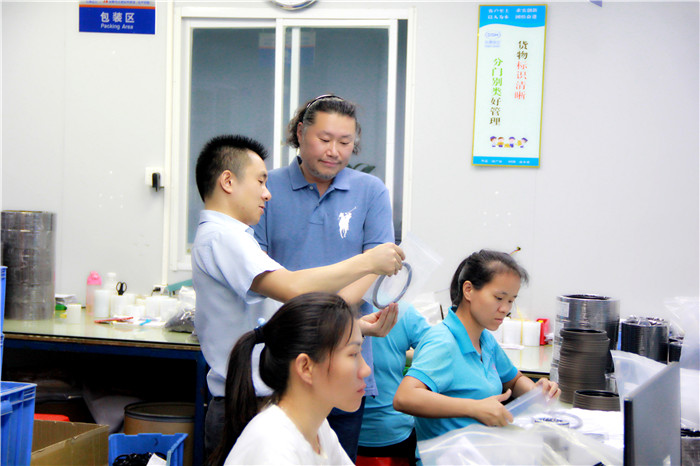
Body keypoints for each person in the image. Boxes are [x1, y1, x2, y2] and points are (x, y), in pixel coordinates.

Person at [191, 134, 405, 460]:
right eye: (260, 181)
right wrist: (367, 261)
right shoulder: (222, 237)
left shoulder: (234, 238)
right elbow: (293, 288)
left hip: (260, 399)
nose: (267, 193)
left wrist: (357, 327)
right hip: (246, 403)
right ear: (228, 181)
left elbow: (276, 315)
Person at [253, 94, 396, 460]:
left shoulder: (371, 192)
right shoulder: (266, 189)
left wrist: (323, 315)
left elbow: (374, 267)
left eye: (345, 142)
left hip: (345, 361)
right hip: (283, 357)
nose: (334, 151)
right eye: (325, 139)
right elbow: (260, 270)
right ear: (301, 133)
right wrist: (320, 314)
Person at [393, 250, 560, 441]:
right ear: (468, 290)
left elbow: (513, 380)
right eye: (499, 298)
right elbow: (404, 397)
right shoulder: (443, 342)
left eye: (511, 301)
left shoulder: (485, 340)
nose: (505, 309)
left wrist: (537, 392)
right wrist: (474, 408)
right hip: (448, 454)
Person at [212, 293, 367, 465]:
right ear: (306, 367)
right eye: (353, 354)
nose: (366, 370)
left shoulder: (317, 428)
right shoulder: (273, 446)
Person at [357, 302, 430, 466]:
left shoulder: (327, 313)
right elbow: (438, 350)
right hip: (392, 429)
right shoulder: (398, 309)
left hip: (340, 430)